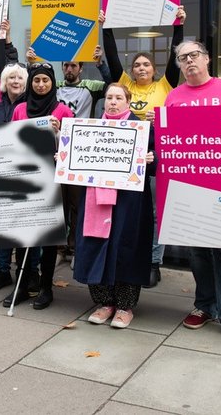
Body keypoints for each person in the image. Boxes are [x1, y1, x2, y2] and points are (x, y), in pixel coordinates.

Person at [164, 39, 221, 345]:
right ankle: (204, 306)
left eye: (194, 55)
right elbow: (170, 145)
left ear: (206, 59)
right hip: (190, 187)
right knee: (198, 253)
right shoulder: (173, 98)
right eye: (182, 58)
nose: (189, 61)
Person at [101, 6, 186, 287]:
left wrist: (178, 26)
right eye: (137, 65)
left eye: (146, 65)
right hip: (122, 161)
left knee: (154, 211)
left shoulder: (166, 86)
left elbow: (176, 59)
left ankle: (153, 261)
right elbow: (112, 59)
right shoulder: (124, 86)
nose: (141, 68)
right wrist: (107, 27)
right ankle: (129, 257)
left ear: (154, 69)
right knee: (125, 211)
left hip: (153, 157)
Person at [74, 83, 155, 328]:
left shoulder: (142, 129)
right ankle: (104, 303)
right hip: (95, 201)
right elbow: (77, 162)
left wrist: (151, 159)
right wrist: (66, 158)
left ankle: (124, 306)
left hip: (129, 202)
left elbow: (156, 162)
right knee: (95, 245)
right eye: (109, 97)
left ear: (128, 102)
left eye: (118, 97)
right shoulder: (91, 128)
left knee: (126, 249)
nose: (112, 102)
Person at [27, 47, 112, 264]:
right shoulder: (54, 87)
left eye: (74, 65)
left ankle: (74, 249)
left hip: (80, 150)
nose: (69, 69)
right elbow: (34, 86)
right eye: (66, 65)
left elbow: (111, 85)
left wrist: (100, 64)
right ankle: (58, 249)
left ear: (81, 69)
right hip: (55, 150)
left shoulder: (90, 87)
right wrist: (30, 63)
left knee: (77, 203)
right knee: (60, 202)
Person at [5, 62, 75, 309]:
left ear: (52, 83)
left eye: (46, 80)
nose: (41, 85)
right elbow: (9, 142)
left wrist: (59, 134)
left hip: (52, 182)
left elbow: (74, 149)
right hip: (25, 179)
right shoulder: (20, 109)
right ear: (30, 83)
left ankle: (46, 287)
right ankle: (22, 285)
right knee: (23, 235)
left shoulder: (64, 111)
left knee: (47, 239)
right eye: (37, 81)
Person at [0, 63, 29, 293]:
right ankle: (2, 270)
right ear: (4, 81)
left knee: (26, 225)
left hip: (26, 172)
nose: (15, 81)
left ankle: (29, 271)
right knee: (2, 223)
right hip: (0, 170)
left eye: (20, 77)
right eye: (11, 77)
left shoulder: (32, 106)